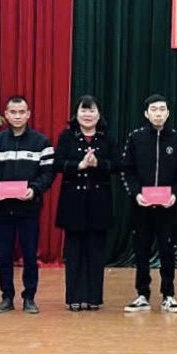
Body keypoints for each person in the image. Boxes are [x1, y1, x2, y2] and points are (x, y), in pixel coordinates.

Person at [0, 95, 55, 314]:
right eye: (13, 112)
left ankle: (29, 297)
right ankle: (6, 297)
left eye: (21, 112)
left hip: (29, 209)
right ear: (6, 114)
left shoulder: (41, 142)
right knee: (4, 255)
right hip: (3, 209)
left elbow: (48, 173)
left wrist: (34, 189)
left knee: (30, 255)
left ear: (28, 114)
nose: (17, 116)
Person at [120, 94, 177, 313]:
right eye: (154, 110)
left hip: (168, 207)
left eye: (162, 109)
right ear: (146, 114)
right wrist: (136, 193)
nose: (158, 114)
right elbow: (126, 170)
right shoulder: (136, 137)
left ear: (168, 113)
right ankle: (142, 294)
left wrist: (175, 194)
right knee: (141, 250)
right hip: (141, 207)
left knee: (167, 250)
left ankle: (169, 295)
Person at [54, 95, 116, 310]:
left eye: (92, 110)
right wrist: (78, 166)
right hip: (73, 202)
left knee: (96, 252)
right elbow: (57, 164)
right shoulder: (67, 137)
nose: (87, 115)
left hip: (99, 203)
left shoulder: (106, 138)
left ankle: (93, 298)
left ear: (99, 114)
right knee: (74, 253)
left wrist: (99, 164)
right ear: (76, 114)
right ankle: (74, 297)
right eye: (83, 110)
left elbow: (118, 164)